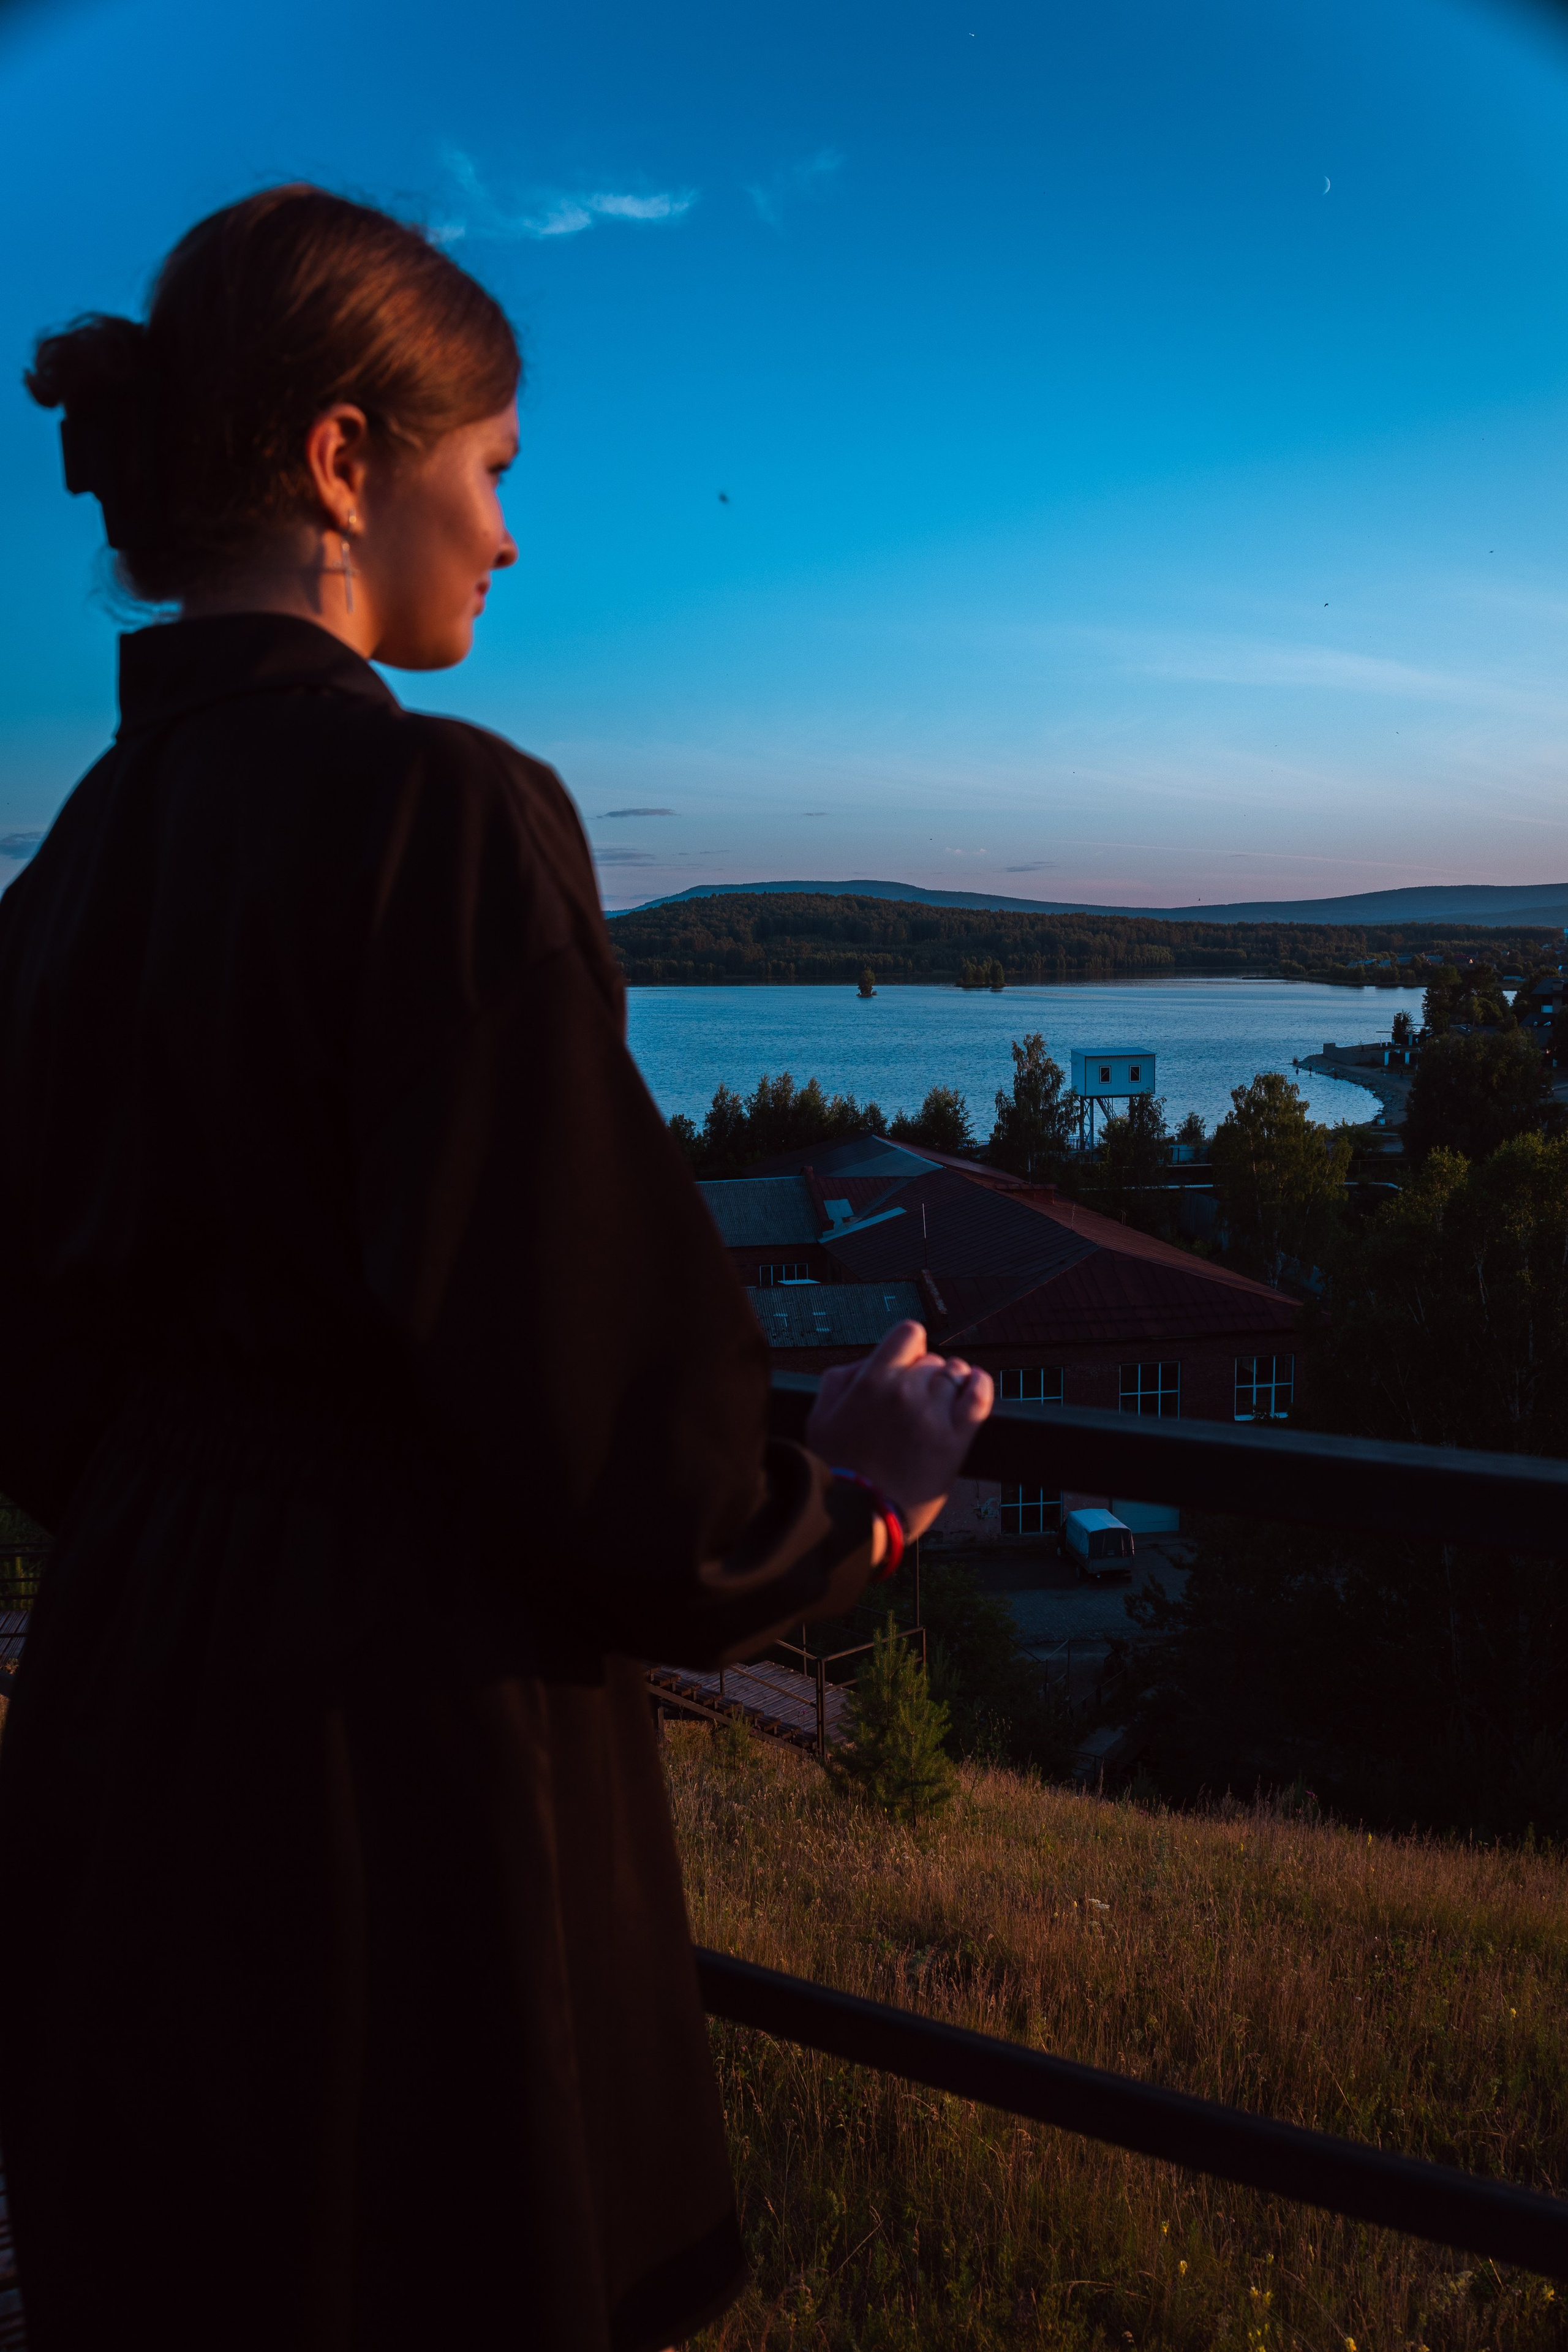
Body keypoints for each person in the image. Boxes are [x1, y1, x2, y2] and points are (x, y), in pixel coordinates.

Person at [0, 187, 993, 2352]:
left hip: (110, 1707)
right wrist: (859, 1495)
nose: (516, 541)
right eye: (499, 473)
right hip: (390, 1768)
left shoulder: (67, 861)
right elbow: (612, 1427)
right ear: (348, 466)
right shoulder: (436, 816)